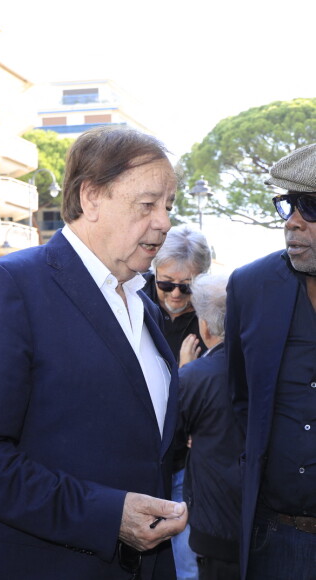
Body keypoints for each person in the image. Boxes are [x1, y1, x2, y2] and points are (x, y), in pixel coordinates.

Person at [0, 125, 188, 580]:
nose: (165, 222)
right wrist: (107, 514)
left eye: (168, 206)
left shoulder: (143, 303)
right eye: (147, 204)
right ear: (90, 196)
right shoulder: (9, 286)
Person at [225, 143, 316, 579]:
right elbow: (241, 401)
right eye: (288, 205)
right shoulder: (250, 287)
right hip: (277, 540)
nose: (293, 222)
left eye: (310, 207)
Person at [143, 224, 212, 580]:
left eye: (185, 287)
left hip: (184, 463)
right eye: (166, 283)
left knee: (185, 562)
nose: (173, 294)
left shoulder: (211, 320)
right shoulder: (133, 304)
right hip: (138, 455)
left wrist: (190, 377)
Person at [179, 274, 243, 580]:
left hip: (216, 526)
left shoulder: (195, 377)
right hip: (266, 524)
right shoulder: (269, 365)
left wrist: (183, 370)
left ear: (204, 325)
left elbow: (168, 437)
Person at [143, 224, 212, 367]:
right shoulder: (132, 298)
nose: (176, 293)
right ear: (154, 271)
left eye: (186, 286)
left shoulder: (214, 312)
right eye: (166, 284)